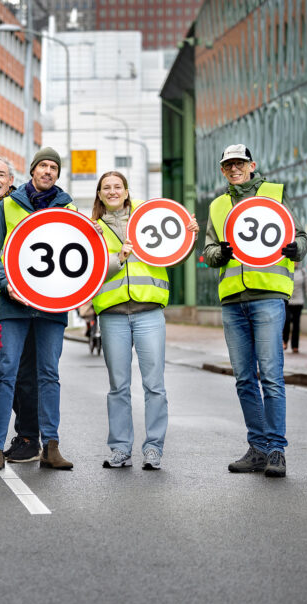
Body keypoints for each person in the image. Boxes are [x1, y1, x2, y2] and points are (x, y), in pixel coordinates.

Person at [202, 144, 307, 478]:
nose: (234, 169)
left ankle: (276, 449)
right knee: (245, 378)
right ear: (223, 171)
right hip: (233, 300)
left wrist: (296, 247)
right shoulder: (218, 205)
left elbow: (301, 237)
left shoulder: (275, 195)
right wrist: (220, 252)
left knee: (271, 376)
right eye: (228, 165)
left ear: (252, 165)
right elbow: (208, 249)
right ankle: (258, 448)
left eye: (239, 163)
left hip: (268, 296)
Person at [90, 171, 199, 470]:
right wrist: (119, 258)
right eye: (106, 188)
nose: (112, 192)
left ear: (126, 191)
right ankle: (121, 449)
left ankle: (153, 448)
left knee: (155, 385)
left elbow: (174, 255)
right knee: (118, 386)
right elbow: (93, 273)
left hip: (149, 311)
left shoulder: (149, 217)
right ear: (99, 195)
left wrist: (188, 234)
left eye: (117, 187)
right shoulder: (92, 229)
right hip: (112, 314)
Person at [0, 147, 77, 472]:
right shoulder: (8, 205)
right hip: (13, 304)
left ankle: (51, 446)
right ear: (32, 170)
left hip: (52, 307)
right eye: (43, 165)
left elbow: (80, 256)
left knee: (50, 375)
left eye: (53, 167)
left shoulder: (69, 208)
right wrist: (7, 284)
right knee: (6, 373)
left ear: (57, 174)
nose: (48, 171)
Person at [0, 156, 41, 463]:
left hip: (26, 302)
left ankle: (29, 435)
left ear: (11, 179)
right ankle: (22, 435)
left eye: (1, 174)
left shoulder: (24, 205)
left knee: (28, 372)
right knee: (8, 371)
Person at [283, 265, 307, 353]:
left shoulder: (302, 272)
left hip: (299, 302)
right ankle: (285, 341)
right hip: (287, 301)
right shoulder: (285, 269)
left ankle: (295, 346)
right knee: (286, 320)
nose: (295, 262)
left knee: (296, 324)